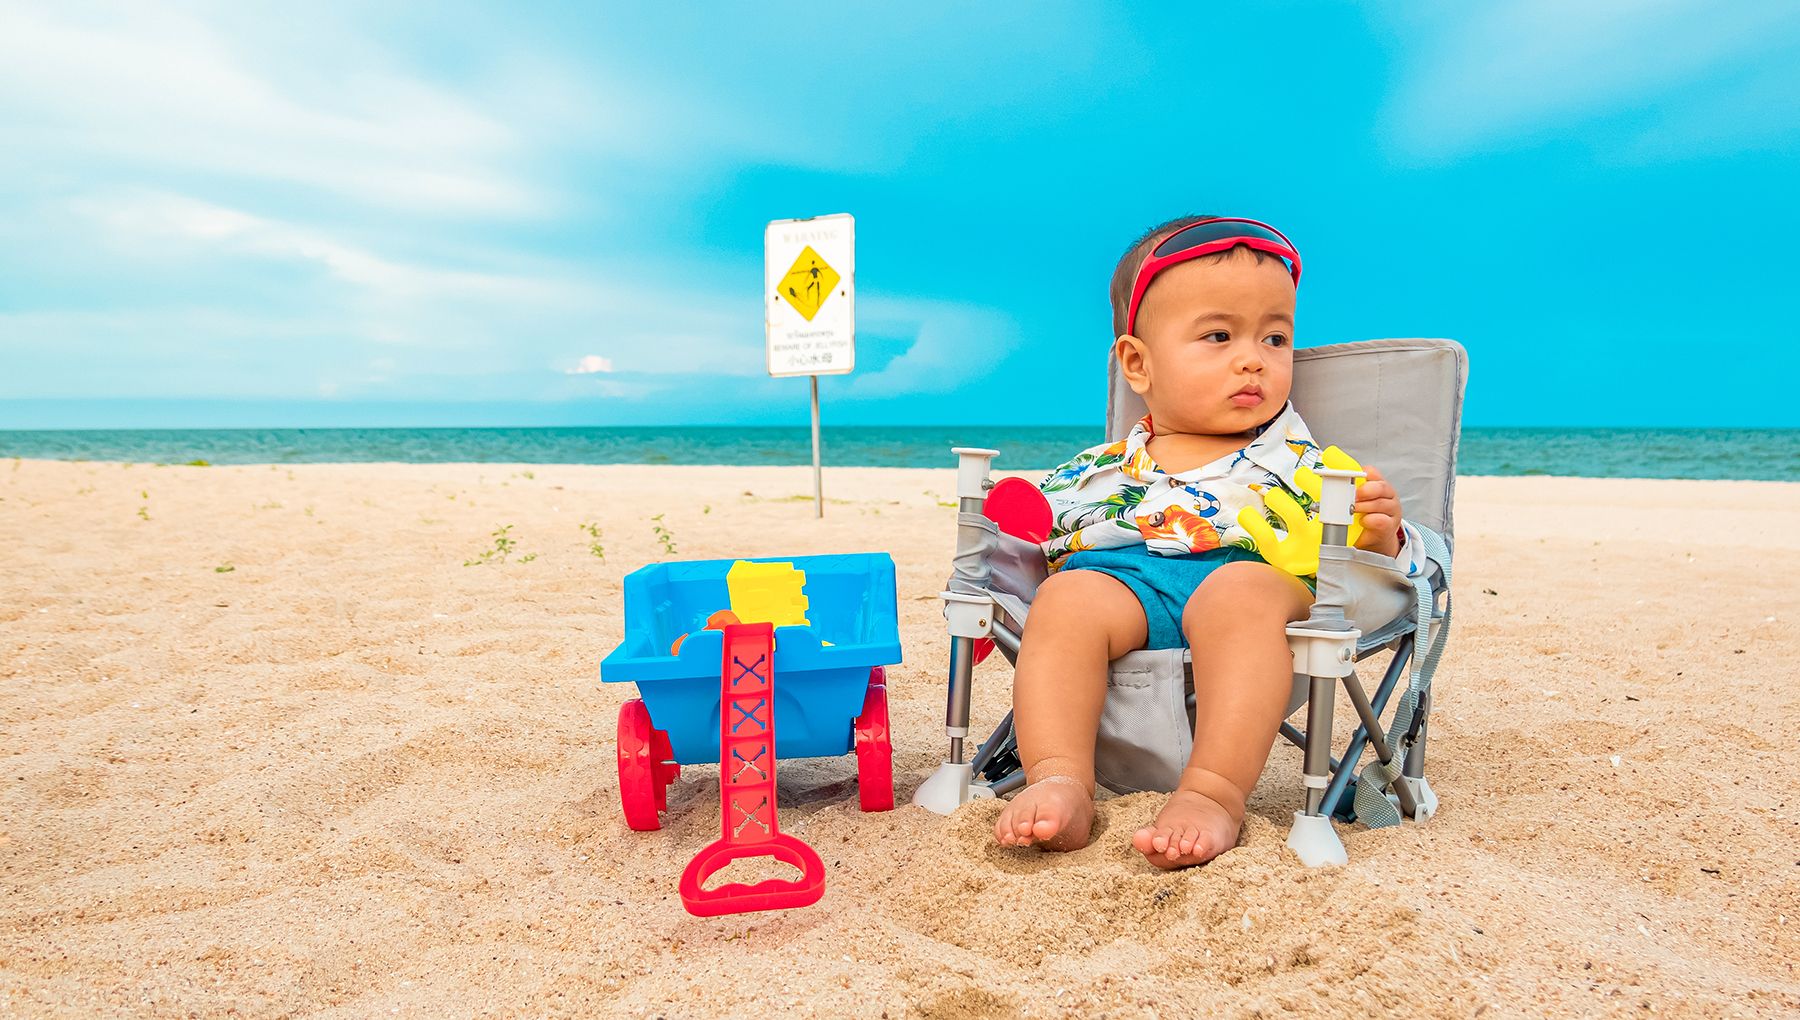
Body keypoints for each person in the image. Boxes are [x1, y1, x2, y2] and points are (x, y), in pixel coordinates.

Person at [992, 216, 1425, 869]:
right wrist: (995, 568)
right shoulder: (1097, 469)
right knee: (1067, 600)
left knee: (1241, 595)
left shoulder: (1311, 464)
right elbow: (1032, 541)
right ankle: (1059, 775)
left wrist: (1380, 533)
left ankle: (1213, 793)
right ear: (1137, 363)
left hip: (1248, 580)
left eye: (1275, 337)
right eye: (1218, 336)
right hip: (1124, 585)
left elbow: (1382, 572)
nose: (1253, 357)